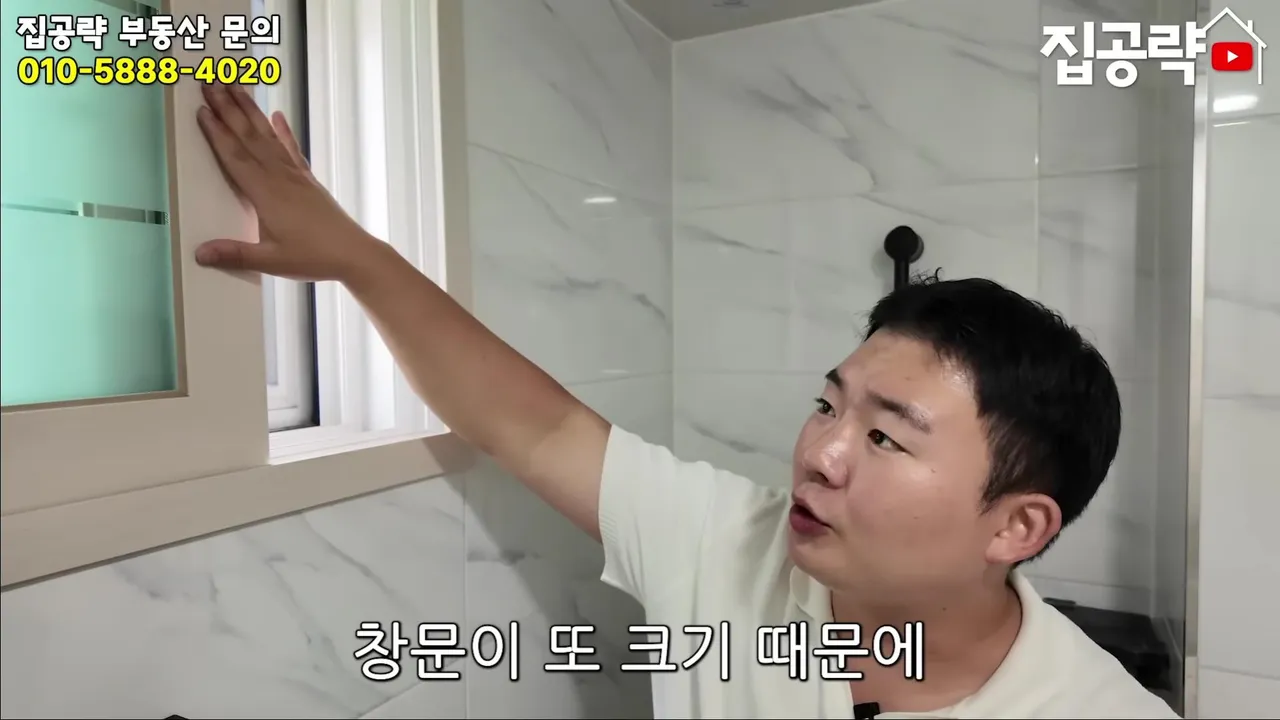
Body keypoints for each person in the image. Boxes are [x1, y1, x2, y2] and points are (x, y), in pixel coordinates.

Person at [192, 84, 1180, 719]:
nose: (821, 452)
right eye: (828, 405)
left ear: (1015, 526)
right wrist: (355, 258)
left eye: (885, 437)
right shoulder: (727, 544)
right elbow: (535, 425)